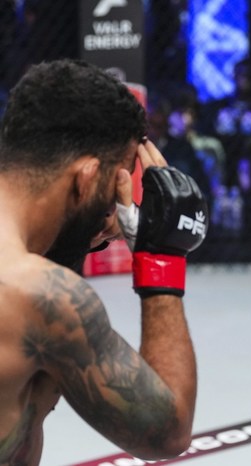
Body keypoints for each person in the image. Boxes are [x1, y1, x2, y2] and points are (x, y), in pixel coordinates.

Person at [0, 58, 208, 464]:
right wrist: (161, 255)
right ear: (87, 178)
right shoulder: (41, 297)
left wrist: (83, 228)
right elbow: (167, 432)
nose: (115, 209)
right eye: (115, 187)